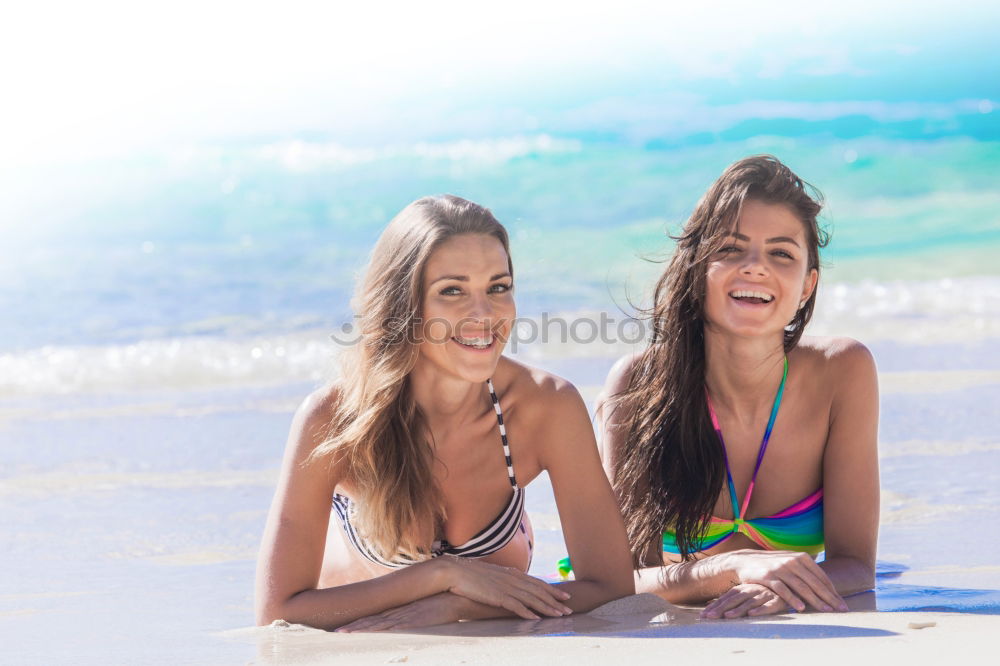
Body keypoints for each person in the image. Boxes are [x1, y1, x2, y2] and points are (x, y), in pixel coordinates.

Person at [255, 195, 633, 632]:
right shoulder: (334, 420)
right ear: (405, 307)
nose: (484, 314)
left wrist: (459, 606)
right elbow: (277, 613)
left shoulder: (546, 406)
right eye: (452, 290)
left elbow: (611, 587)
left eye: (498, 287)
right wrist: (443, 575)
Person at [597, 155, 878, 619]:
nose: (755, 267)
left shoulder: (842, 372)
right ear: (695, 267)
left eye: (781, 253)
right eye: (730, 248)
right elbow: (619, 580)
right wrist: (735, 568)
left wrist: (786, 592)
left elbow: (856, 567)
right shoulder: (637, 386)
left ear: (807, 285)